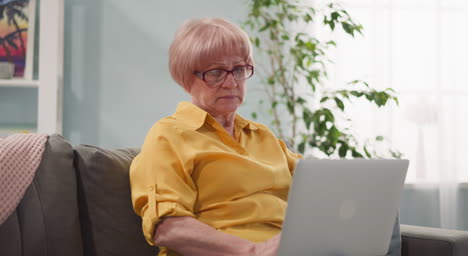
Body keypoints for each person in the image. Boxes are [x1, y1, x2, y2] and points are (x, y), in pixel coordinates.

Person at [129, 17, 401, 256]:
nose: (231, 82)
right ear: (185, 77)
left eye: (239, 69)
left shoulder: (263, 137)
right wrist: (254, 251)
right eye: (215, 72)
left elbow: (322, 190)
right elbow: (167, 227)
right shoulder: (168, 135)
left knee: (384, 222)